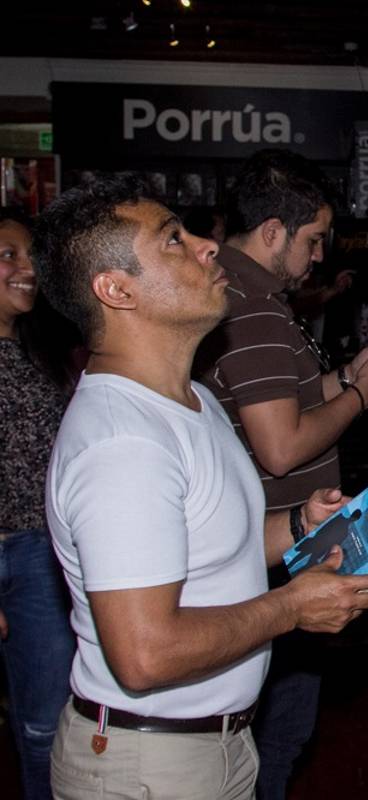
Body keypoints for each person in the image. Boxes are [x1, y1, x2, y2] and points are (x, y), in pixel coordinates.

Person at [31, 175, 368, 799]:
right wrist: (293, 606)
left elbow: (211, 546)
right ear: (115, 290)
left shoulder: (192, 398)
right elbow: (145, 654)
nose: (207, 246)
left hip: (211, 745)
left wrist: (301, 527)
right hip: (149, 764)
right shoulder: (124, 444)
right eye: (173, 240)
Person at [194, 149, 368, 800]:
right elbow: (281, 448)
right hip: (276, 549)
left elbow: (273, 402)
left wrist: (343, 378)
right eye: (312, 241)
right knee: (281, 731)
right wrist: (362, 397)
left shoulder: (237, 292)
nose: (318, 258)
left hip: (260, 536)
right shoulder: (253, 310)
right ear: (272, 233)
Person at [0, 207, 76, 800]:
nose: (27, 269)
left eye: (30, 256)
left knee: (45, 724)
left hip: (37, 556)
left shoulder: (37, 349)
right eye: (8, 256)